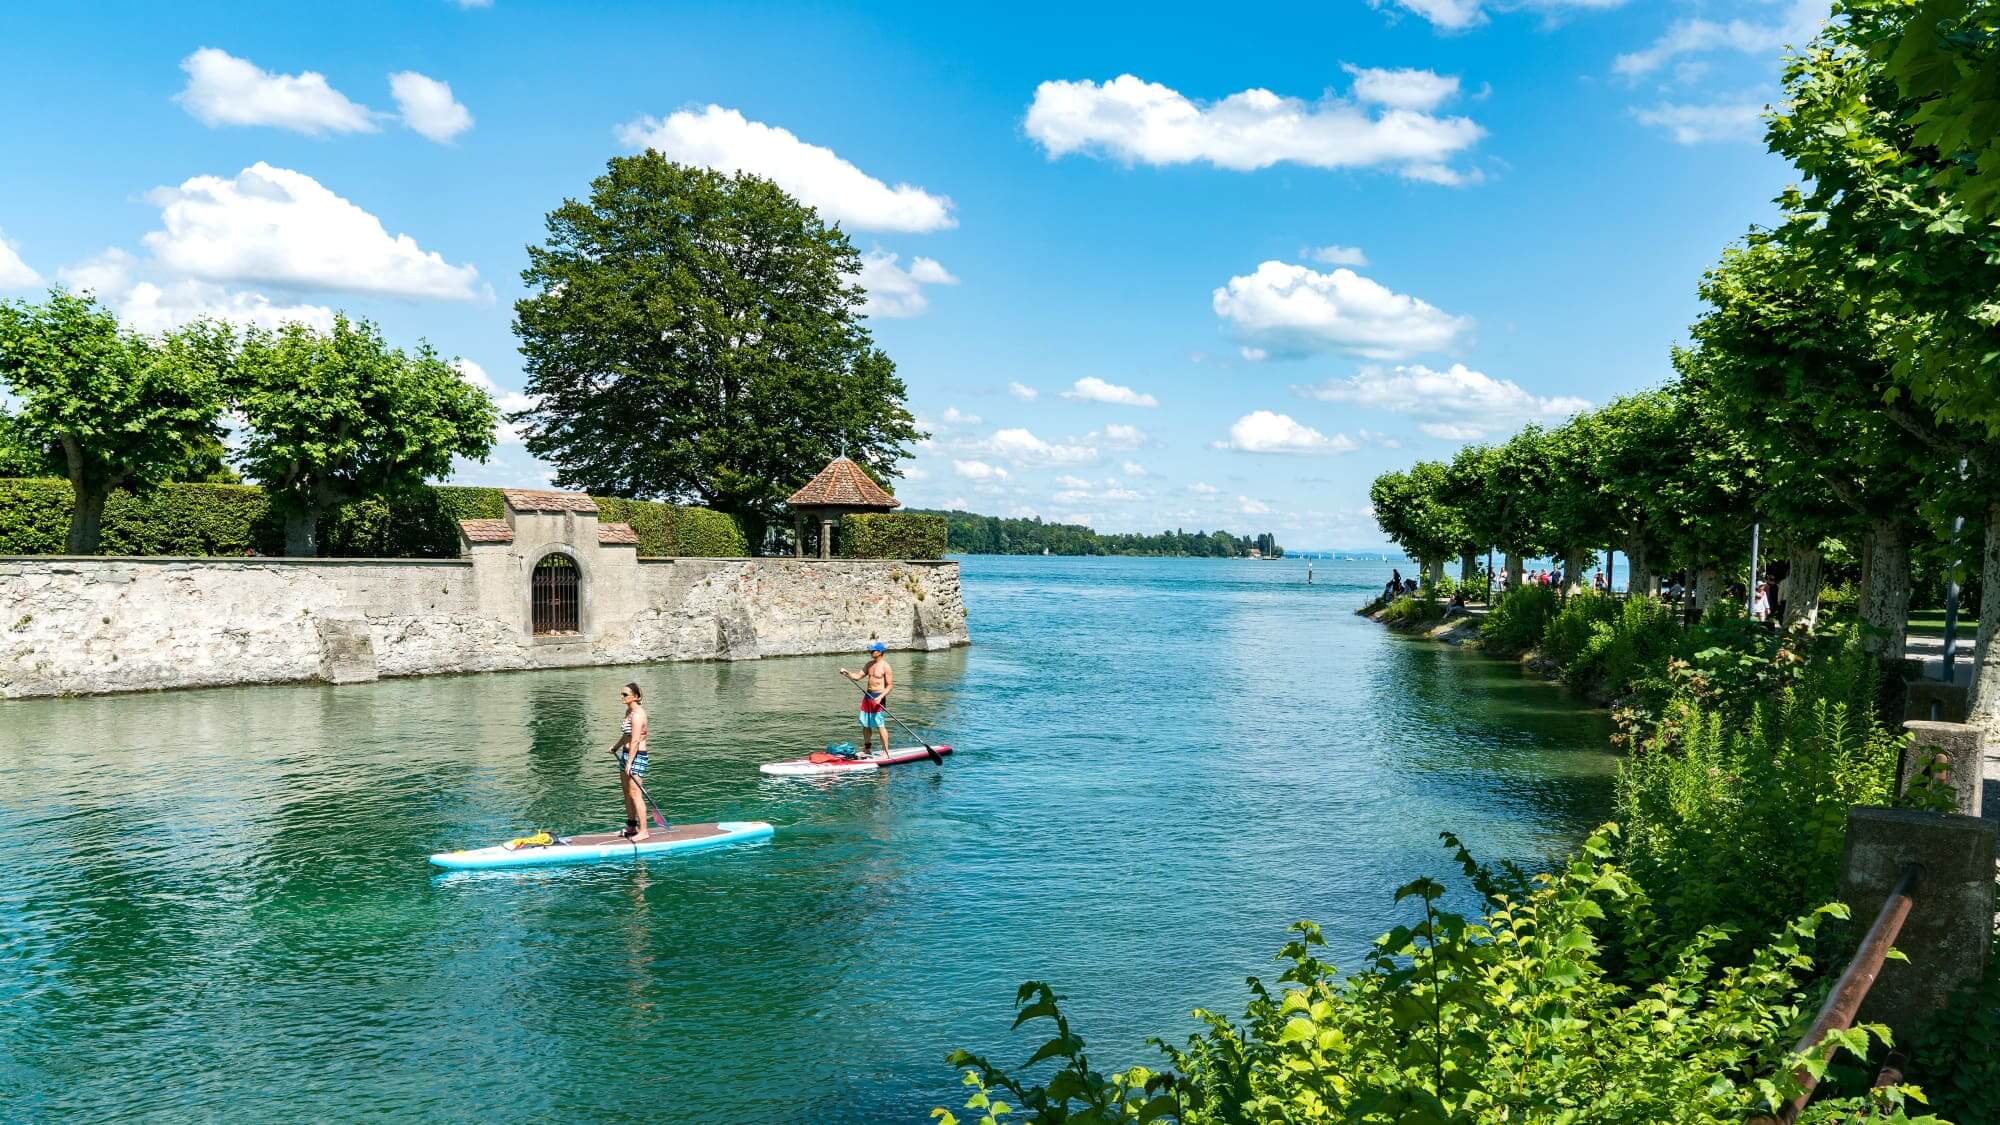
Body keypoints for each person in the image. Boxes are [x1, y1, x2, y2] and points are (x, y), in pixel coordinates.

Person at [609, 682, 652, 841]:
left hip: (637, 757)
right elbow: (627, 736)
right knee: (627, 793)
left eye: (625, 694)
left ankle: (644, 831)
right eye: (622, 694)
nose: (622, 696)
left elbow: (635, 741)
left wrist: (629, 763)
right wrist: (616, 747)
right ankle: (631, 827)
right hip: (627, 754)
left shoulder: (638, 715)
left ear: (636, 697)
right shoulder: (629, 712)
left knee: (636, 793)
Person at [840, 642, 895, 759]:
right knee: (865, 724)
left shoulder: (886, 666)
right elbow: (857, 676)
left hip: (878, 697)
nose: (871, 652)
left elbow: (890, 686)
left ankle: (885, 752)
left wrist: (880, 697)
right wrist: (847, 673)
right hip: (867, 696)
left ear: (879, 652)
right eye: (870, 650)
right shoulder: (869, 664)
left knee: (880, 725)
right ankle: (867, 748)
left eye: (873, 650)